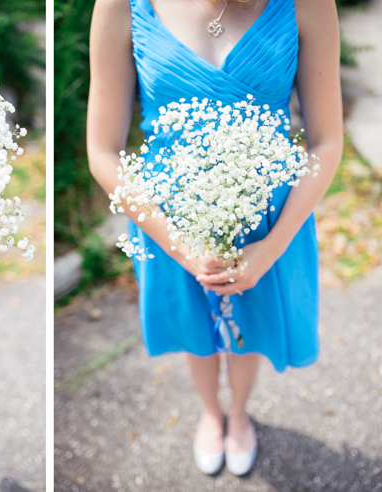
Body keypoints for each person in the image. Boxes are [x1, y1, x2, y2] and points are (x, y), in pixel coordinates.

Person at [87, 0, 342, 476]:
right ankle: (210, 412)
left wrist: (270, 247)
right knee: (192, 323)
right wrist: (181, 245)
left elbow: (326, 140)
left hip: (269, 216)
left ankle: (240, 413)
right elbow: (103, 151)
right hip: (167, 220)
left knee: (254, 321)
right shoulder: (121, 5)